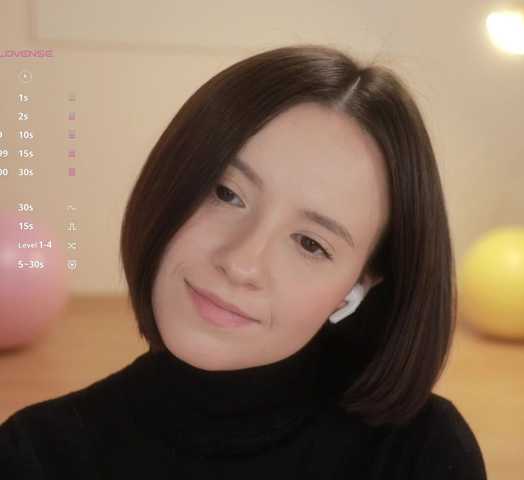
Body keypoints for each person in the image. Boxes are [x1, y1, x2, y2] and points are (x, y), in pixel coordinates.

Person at [0, 44, 487, 479]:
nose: (241, 263)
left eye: (310, 244)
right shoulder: (36, 455)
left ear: (359, 285)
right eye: (227, 194)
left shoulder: (423, 454)